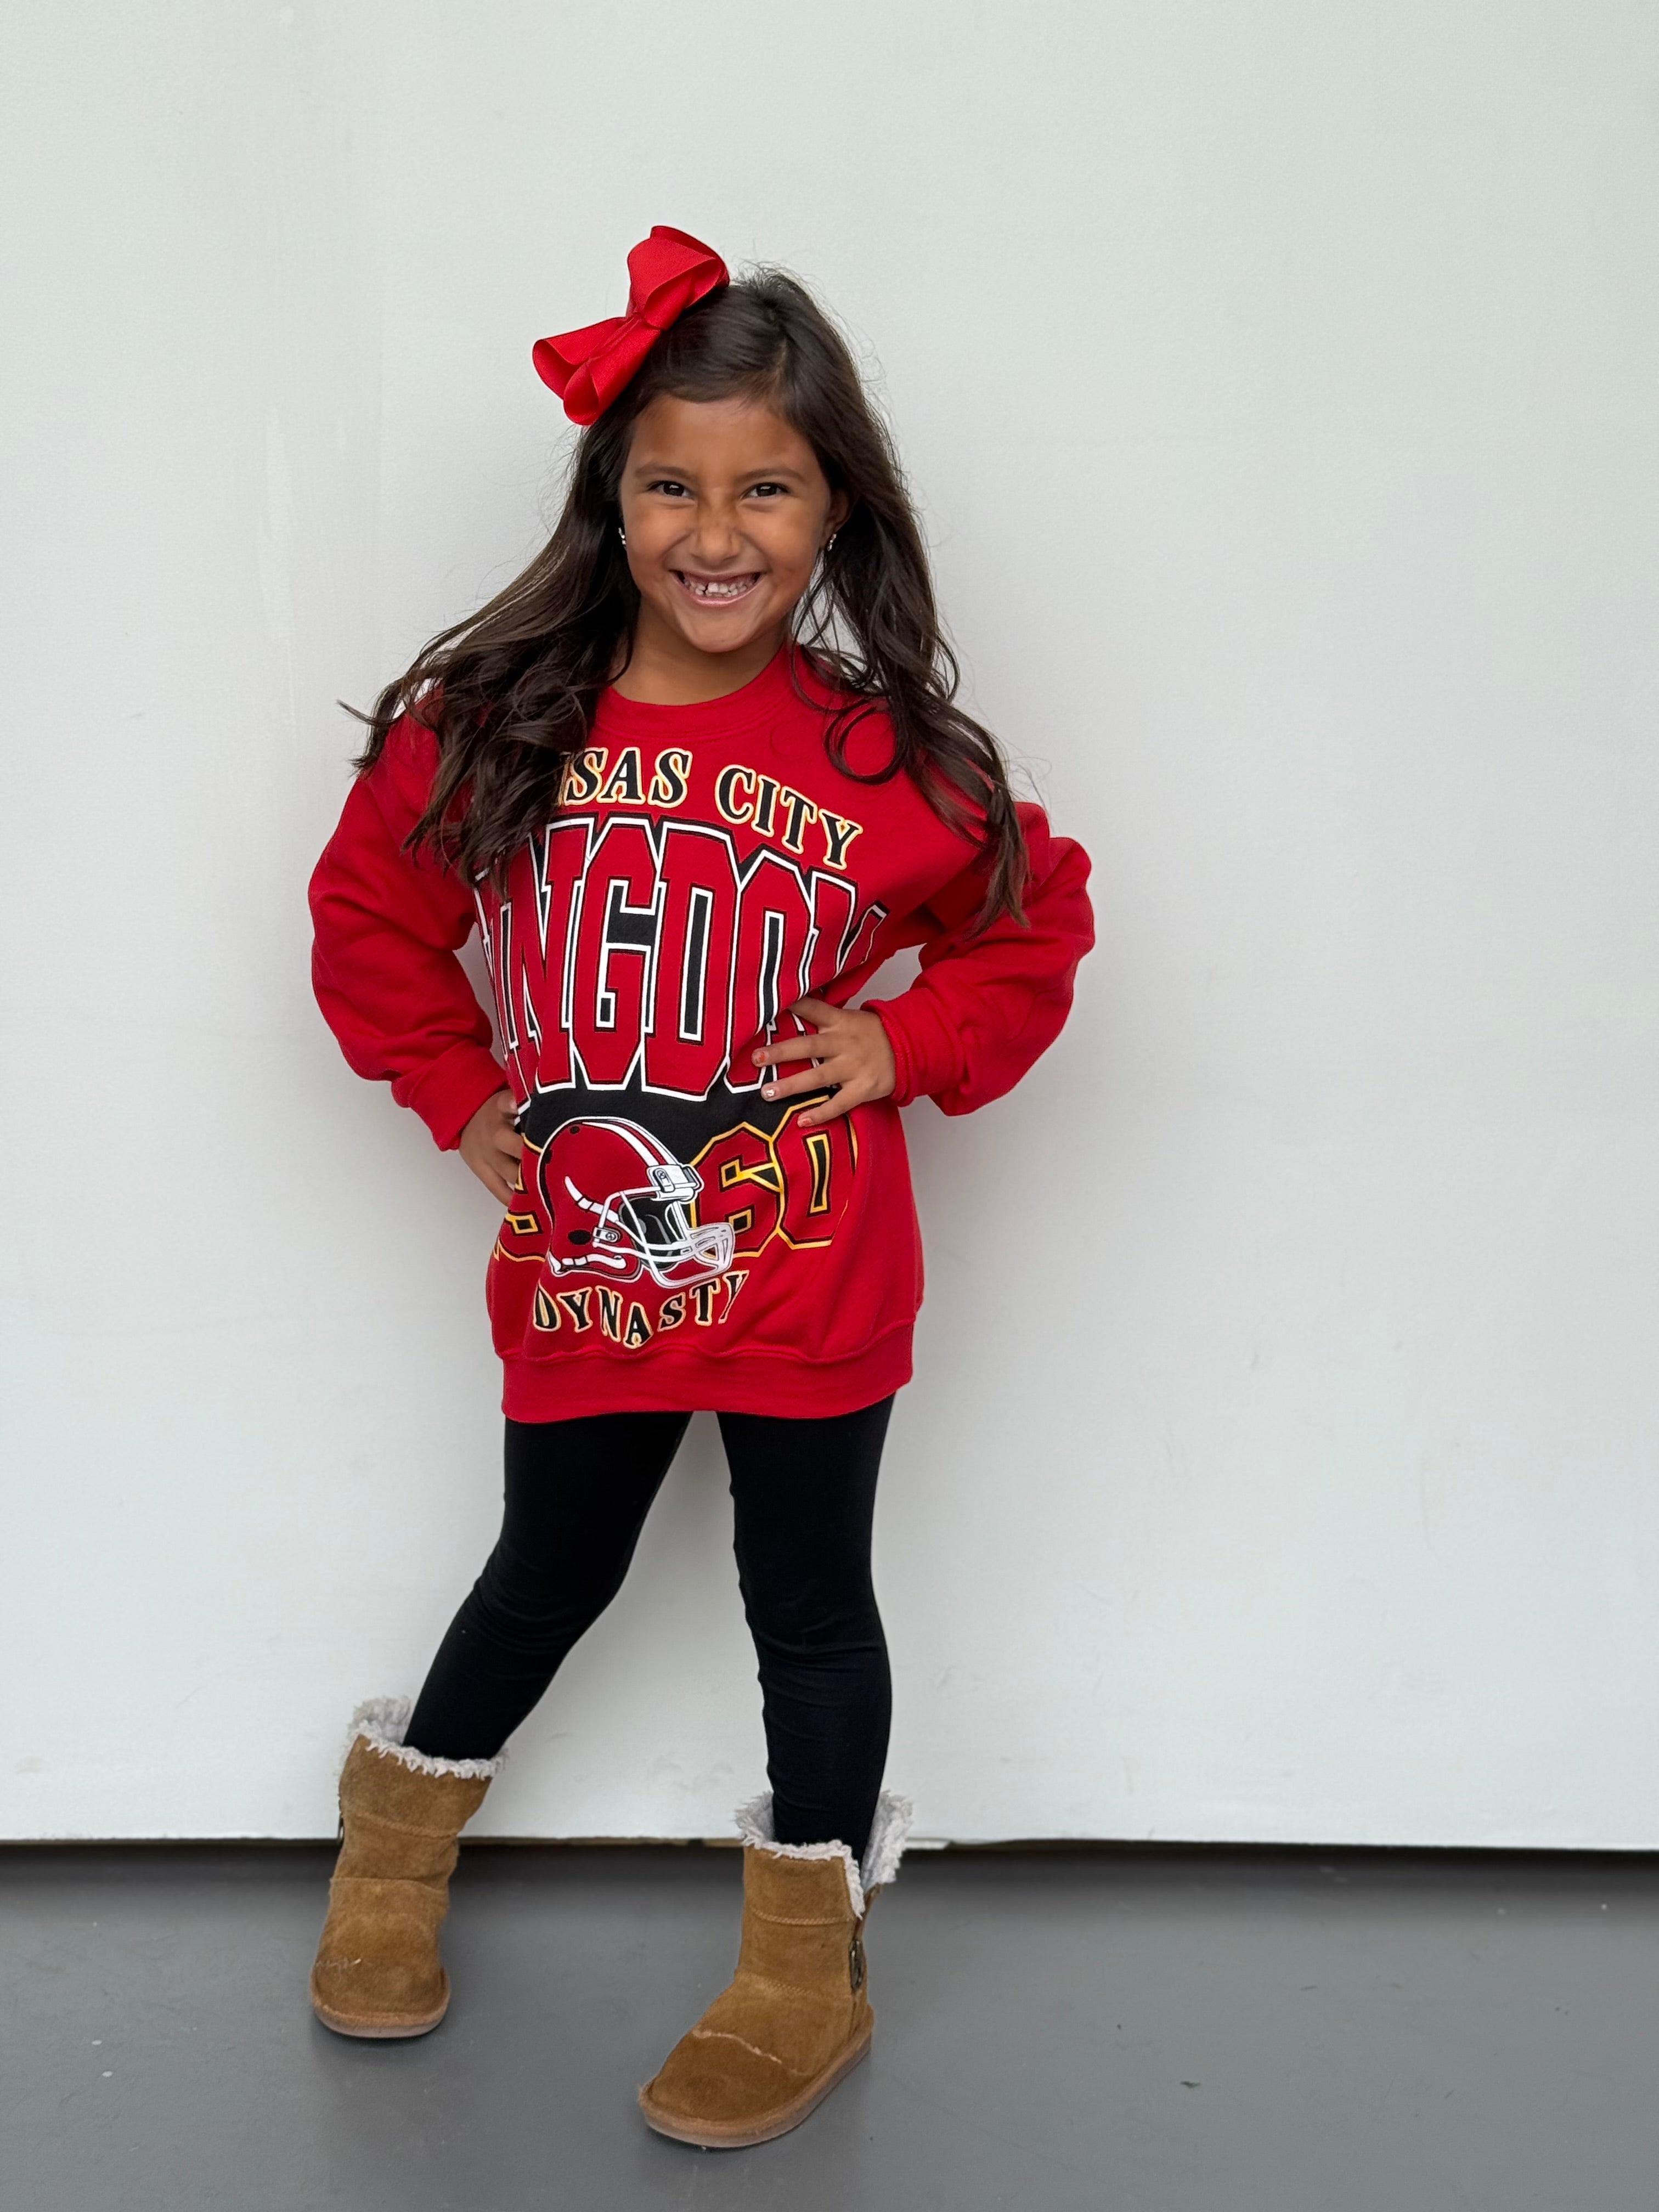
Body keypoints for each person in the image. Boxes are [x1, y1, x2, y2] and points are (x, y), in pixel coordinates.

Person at [305, 225, 1094, 2148]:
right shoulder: (496, 724)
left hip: (812, 1274)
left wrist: (904, 1043)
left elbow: (1033, 921)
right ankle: (390, 1863)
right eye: (673, 484)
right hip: (592, 1270)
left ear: (837, 512)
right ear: (613, 494)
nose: (715, 533)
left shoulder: (878, 758)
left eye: (767, 489)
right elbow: (367, 919)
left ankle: (806, 1973)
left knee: (809, 1609)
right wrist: (457, 1093)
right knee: (547, 1572)